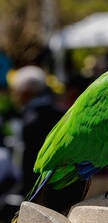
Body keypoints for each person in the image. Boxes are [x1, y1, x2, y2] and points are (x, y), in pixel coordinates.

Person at [9, 65, 64, 196]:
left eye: (15, 92)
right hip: (63, 183)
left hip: (40, 189)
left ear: (25, 92)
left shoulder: (31, 120)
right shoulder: (61, 113)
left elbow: (30, 162)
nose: (14, 96)